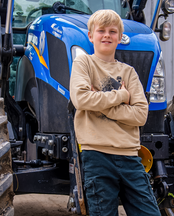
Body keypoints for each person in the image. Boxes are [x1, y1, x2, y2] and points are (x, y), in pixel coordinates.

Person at [69, 9, 161, 216]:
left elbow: (140, 115)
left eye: (112, 31)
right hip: (97, 156)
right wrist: (120, 97)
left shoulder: (128, 72)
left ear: (120, 37)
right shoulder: (84, 63)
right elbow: (81, 99)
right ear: (91, 36)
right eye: (101, 31)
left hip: (129, 156)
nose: (107, 35)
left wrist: (99, 103)